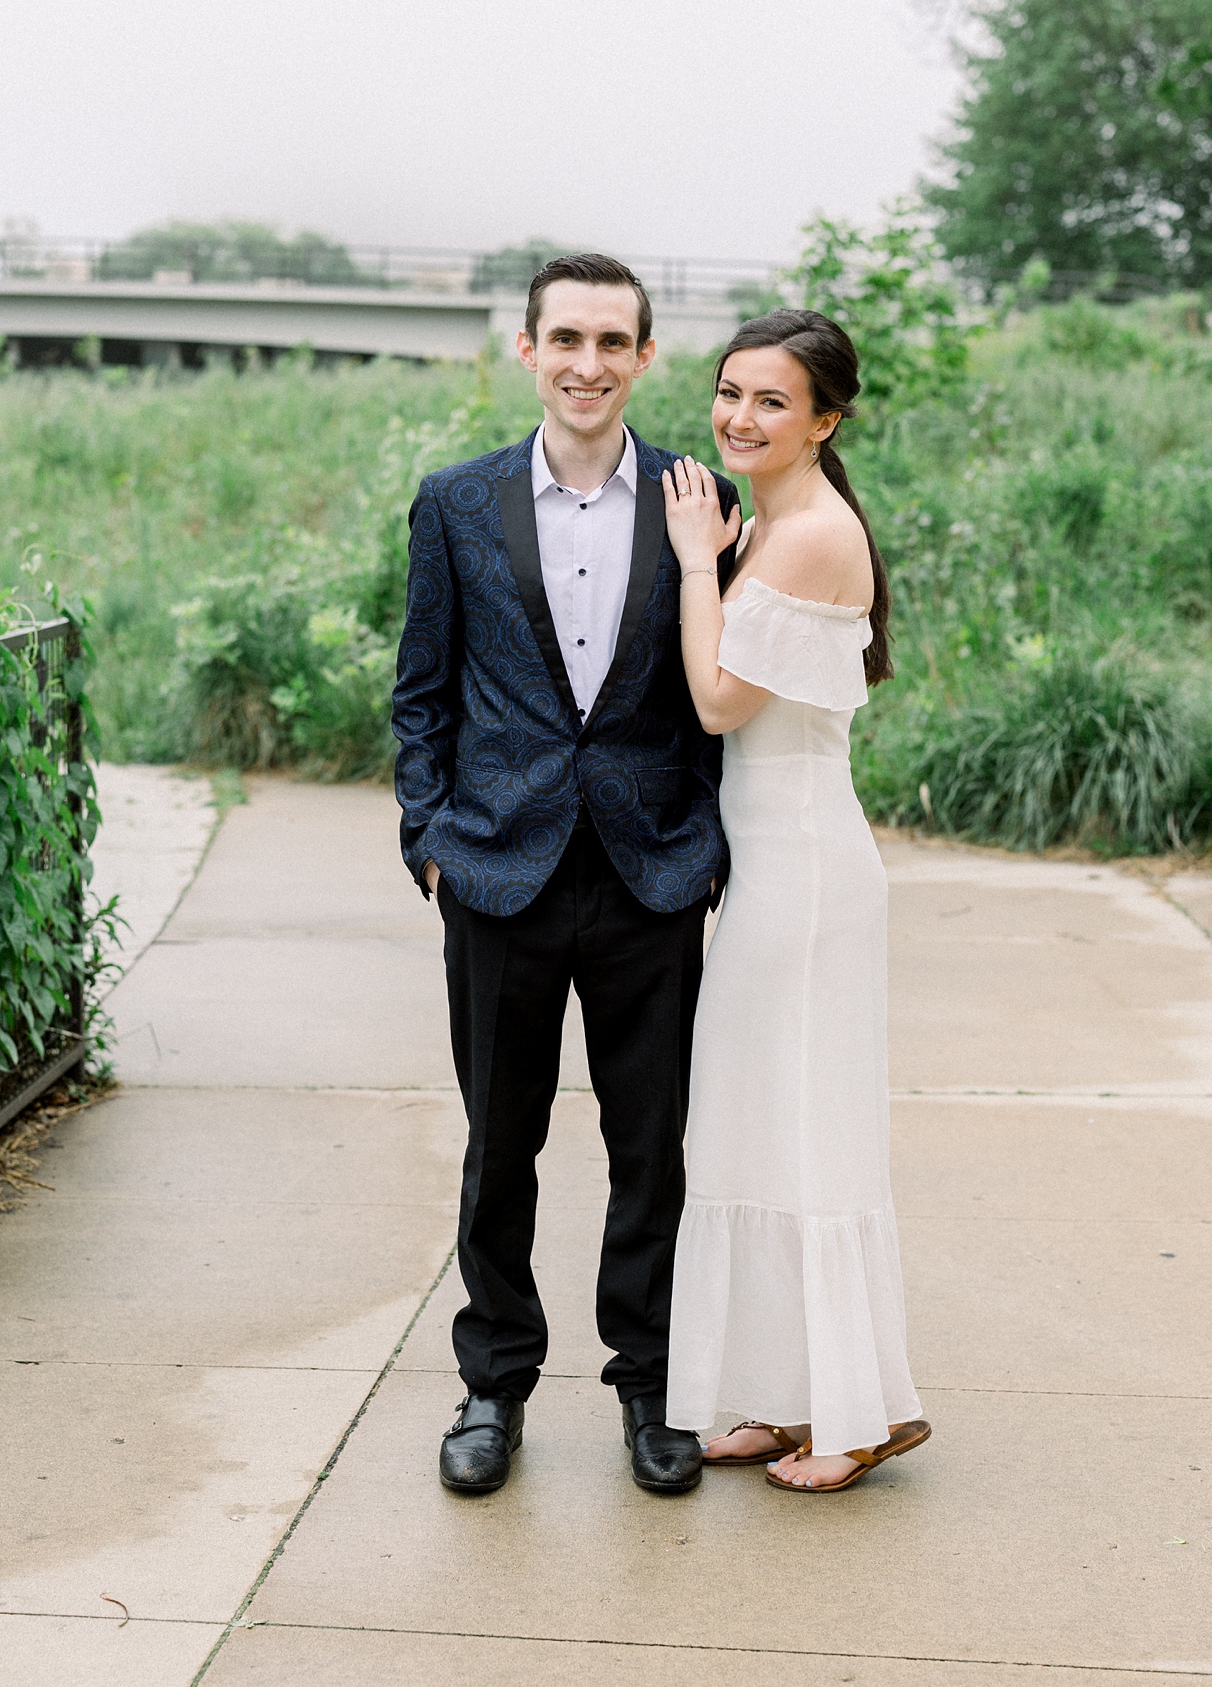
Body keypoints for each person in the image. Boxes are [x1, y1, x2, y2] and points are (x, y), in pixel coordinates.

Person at [392, 253, 741, 1497]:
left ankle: (653, 1388)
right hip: (496, 874)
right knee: (503, 1145)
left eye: (613, 341)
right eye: (566, 340)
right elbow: (421, 688)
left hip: (651, 876)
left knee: (653, 1148)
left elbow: (720, 698)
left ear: (646, 357)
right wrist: (428, 837)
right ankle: (494, 1385)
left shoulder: (702, 506)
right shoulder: (454, 503)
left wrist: (703, 844)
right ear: (526, 351)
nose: (588, 364)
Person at [661, 309, 930, 1493]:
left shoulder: (812, 535)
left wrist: (687, 567)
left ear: (827, 418)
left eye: (773, 400)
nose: (740, 417)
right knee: (755, 1118)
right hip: (771, 861)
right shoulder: (773, 527)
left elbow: (721, 703)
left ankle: (859, 1415)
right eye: (730, 392)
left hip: (807, 867)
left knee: (810, 1128)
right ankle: (786, 1392)